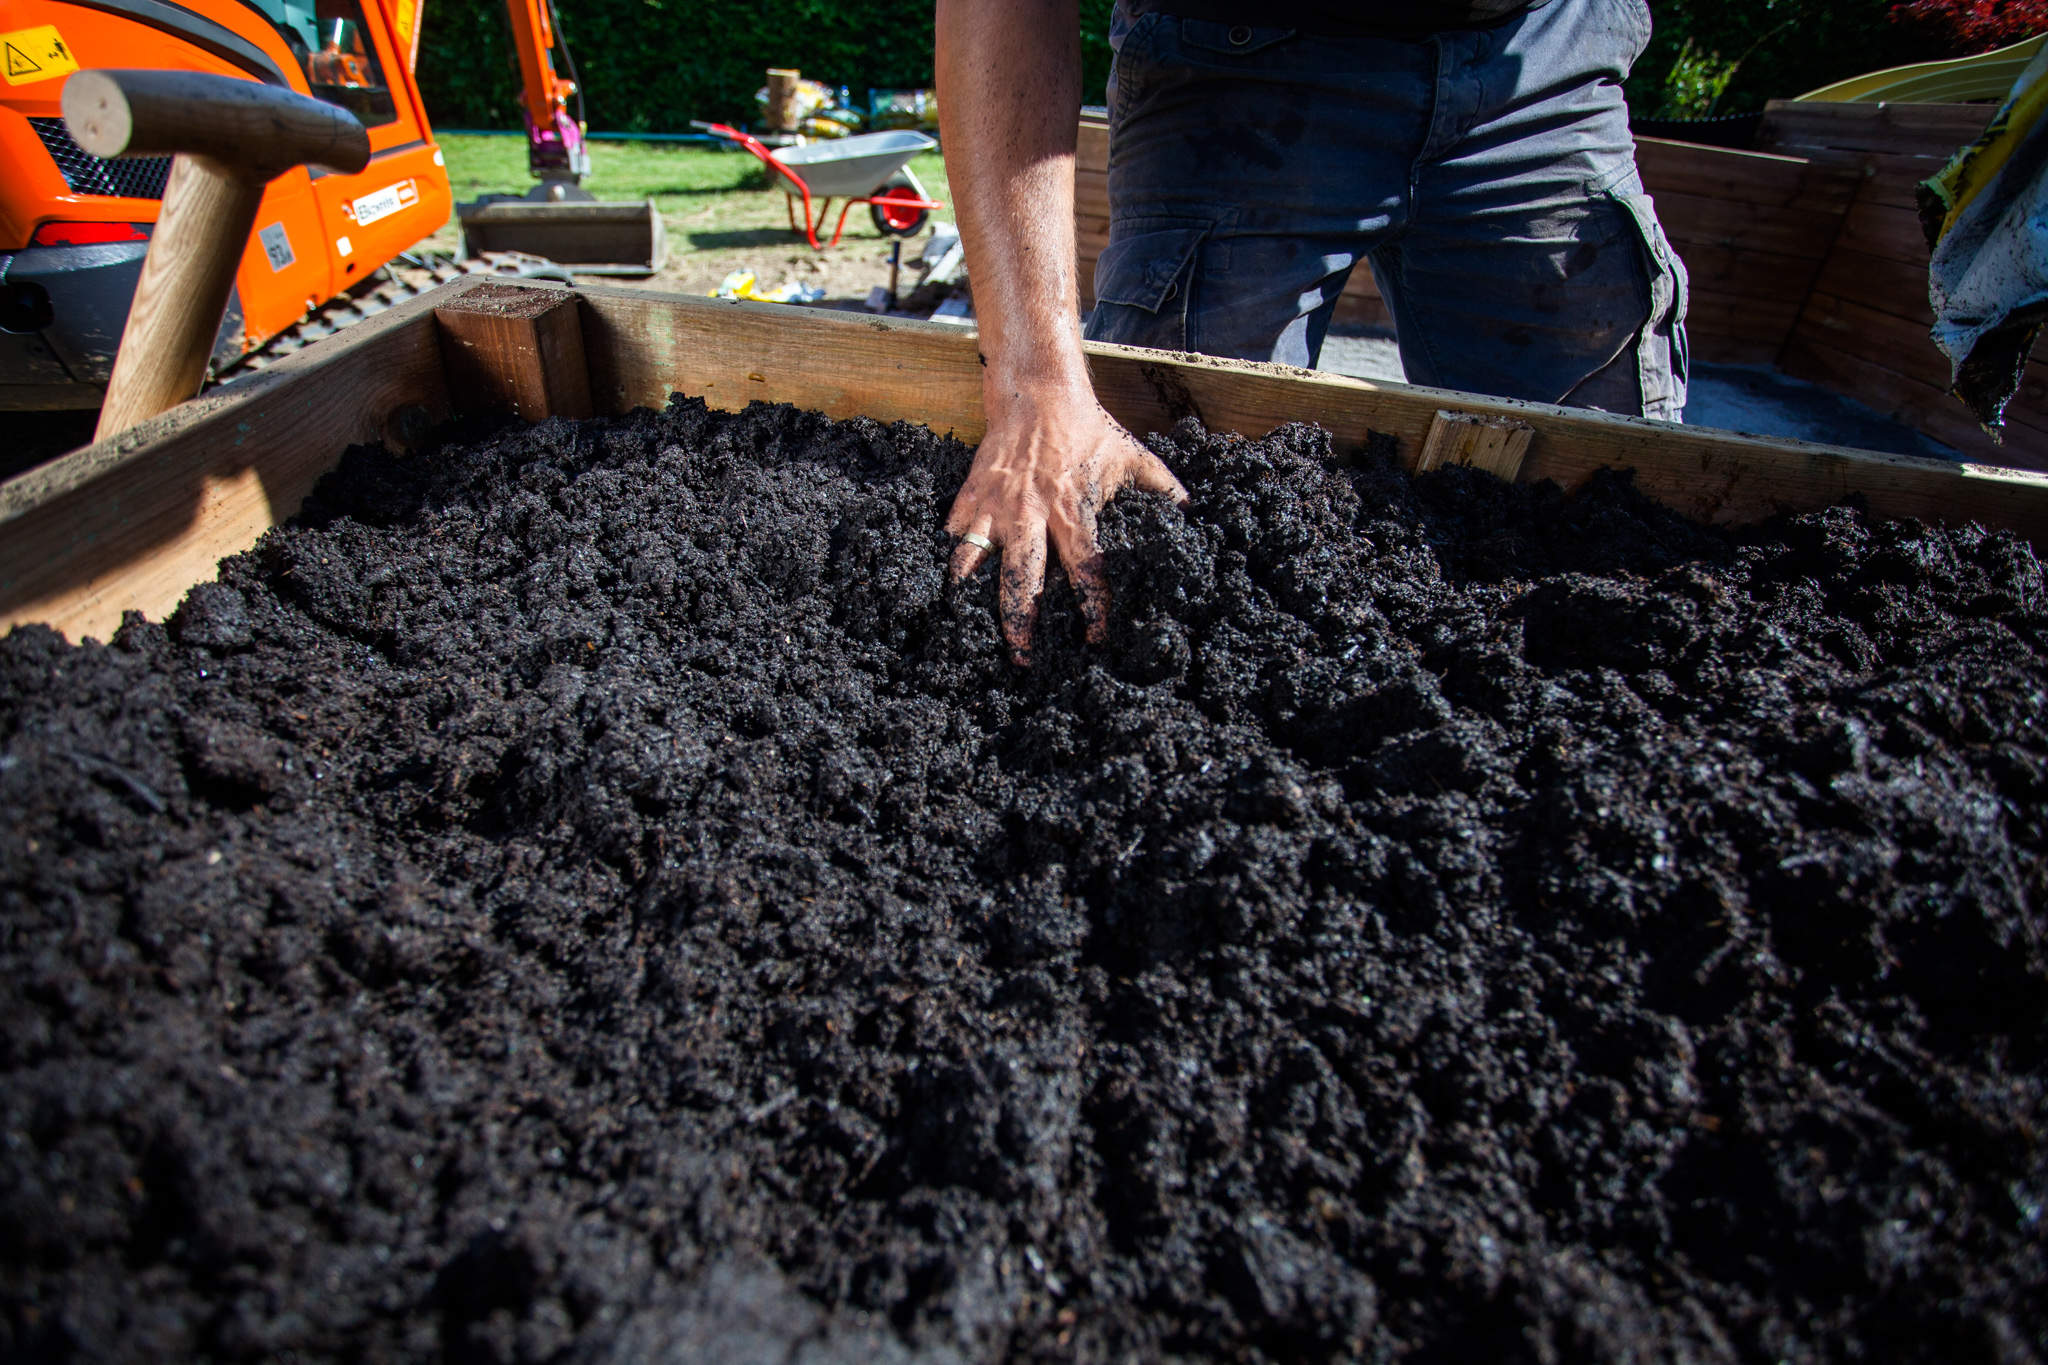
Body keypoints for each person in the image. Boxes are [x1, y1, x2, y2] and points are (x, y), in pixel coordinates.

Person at [934, 0, 1689, 666]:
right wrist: (1032, 379)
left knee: (1609, 505)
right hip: (1242, 48)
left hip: (1546, 48)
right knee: (1168, 492)